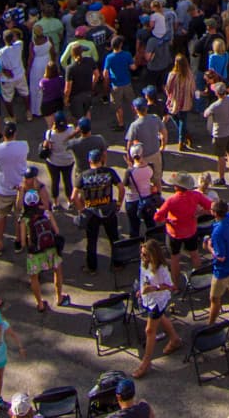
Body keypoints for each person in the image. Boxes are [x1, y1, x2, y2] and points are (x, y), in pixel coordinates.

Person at [72, 146, 125, 274]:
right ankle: (117, 264)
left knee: (92, 241)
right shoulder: (109, 172)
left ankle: (92, 267)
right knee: (114, 238)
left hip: (91, 213)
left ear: (90, 161)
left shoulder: (83, 175)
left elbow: (74, 196)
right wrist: (118, 203)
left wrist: (82, 210)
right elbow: (121, 188)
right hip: (108, 210)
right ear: (101, 159)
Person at [134, 239, 181, 377]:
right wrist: (142, 289)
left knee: (150, 330)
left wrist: (154, 288)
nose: (142, 257)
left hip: (158, 300)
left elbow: (171, 285)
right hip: (148, 298)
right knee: (160, 317)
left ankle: (146, 362)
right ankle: (175, 339)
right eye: (142, 254)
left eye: (145, 255)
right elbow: (144, 279)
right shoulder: (144, 263)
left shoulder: (161, 268)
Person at [17, 188, 64, 312]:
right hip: (51, 249)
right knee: (57, 271)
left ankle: (40, 304)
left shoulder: (24, 219)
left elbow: (22, 242)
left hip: (34, 252)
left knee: (34, 278)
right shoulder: (46, 213)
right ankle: (59, 298)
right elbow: (57, 231)